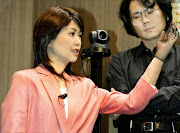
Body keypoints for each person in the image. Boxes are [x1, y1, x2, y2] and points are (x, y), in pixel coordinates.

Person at [0, 6, 176, 133]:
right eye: (71, 33)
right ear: (49, 39)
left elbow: (133, 102)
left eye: (79, 35)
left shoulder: (87, 87)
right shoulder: (25, 80)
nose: (78, 41)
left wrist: (159, 57)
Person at [107, 0, 180, 133]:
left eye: (150, 12)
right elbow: (120, 107)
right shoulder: (120, 61)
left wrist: (133, 100)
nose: (145, 20)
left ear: (166, 15)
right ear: (130, 24)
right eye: (136, 16)